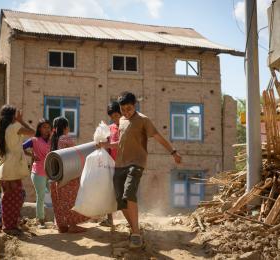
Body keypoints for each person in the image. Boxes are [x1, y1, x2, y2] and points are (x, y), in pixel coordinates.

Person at [100, 92, 182, 248]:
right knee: (120, 202)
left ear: (135, 105)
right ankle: (134, 229)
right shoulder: (122, 120)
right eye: (123, 109)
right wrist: (105, 145)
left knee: (129, 193)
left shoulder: (143, 120)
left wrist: (173, 152)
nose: (126, 112)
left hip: (136, 163)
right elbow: (121, 144)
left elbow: (158, 136)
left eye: (129, 109)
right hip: (119, 165)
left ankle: (136, 233)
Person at [0, 105, 35, 235]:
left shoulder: (1, 131)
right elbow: (33, 133)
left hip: (4, 169)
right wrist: (21, 121)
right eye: (16, 115)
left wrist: (5, 153)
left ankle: (8, 225)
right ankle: (9, 227)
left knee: (9, 199)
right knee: (14, 199)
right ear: (13, 116)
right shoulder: (14, 127)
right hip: (12, 170)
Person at [49, 117, 89, 233]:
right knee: (71, 200)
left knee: (59, 201)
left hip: (56, 176)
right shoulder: (65, 138)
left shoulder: (53, 140)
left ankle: (62, 226)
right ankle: (73, 225)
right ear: (66, 127)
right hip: (68, 176)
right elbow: (75, 153)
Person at [23, 119, 52, 229]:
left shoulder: (51, 141)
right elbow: (21, 147)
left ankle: (57, 220)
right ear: (39, 128)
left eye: (48, 127)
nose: (47, 129)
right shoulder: (34, 140)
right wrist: (31, 155)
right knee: (41, 196)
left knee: (54, 194)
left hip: (50, 173)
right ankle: (40, 220)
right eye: (44, 127)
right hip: (37, 172)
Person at [99, 101, 121, 227]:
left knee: (123, 192)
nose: (114, 119)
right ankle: (109, 219)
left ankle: (132, 219)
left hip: (125, 164)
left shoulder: (126, 126)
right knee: (109, 191)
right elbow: (106, 146)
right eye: (112, 117)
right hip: (111, 164)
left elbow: (121, 144)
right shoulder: (110, 128)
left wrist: (106, 144)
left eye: (116, 115)